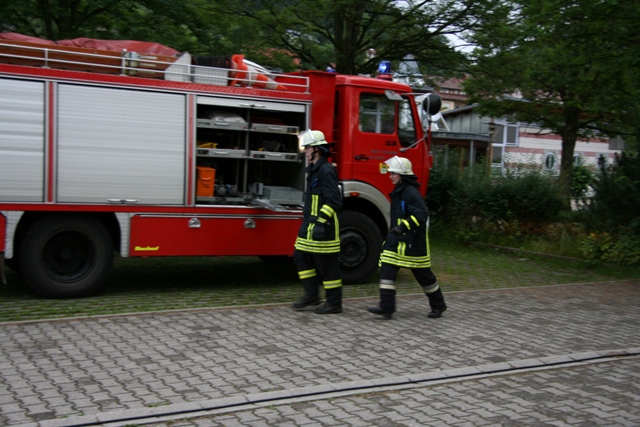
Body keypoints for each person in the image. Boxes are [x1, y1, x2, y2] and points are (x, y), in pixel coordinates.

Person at [368, 156, 447, 320]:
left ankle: (438, 305)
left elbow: (421, 214)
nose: (390, 176)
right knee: (387, 268)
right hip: (398, 241)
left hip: (413, 243)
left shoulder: (411, 193)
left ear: (402, 175)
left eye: (393, 173)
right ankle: (386, 307)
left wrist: (403, 227)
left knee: (423, 276)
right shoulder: (400, 190)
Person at [292, 130, 343, 314]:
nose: (305, 151)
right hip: (311, 224)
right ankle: (312, 294)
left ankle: (334, 303)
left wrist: (321, 222)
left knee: (327, 264)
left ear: (316, 149)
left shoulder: (326, 170)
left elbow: (334, 201)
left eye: (307, 147)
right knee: (300, 255)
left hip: (324, 225)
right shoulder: (315, 169)